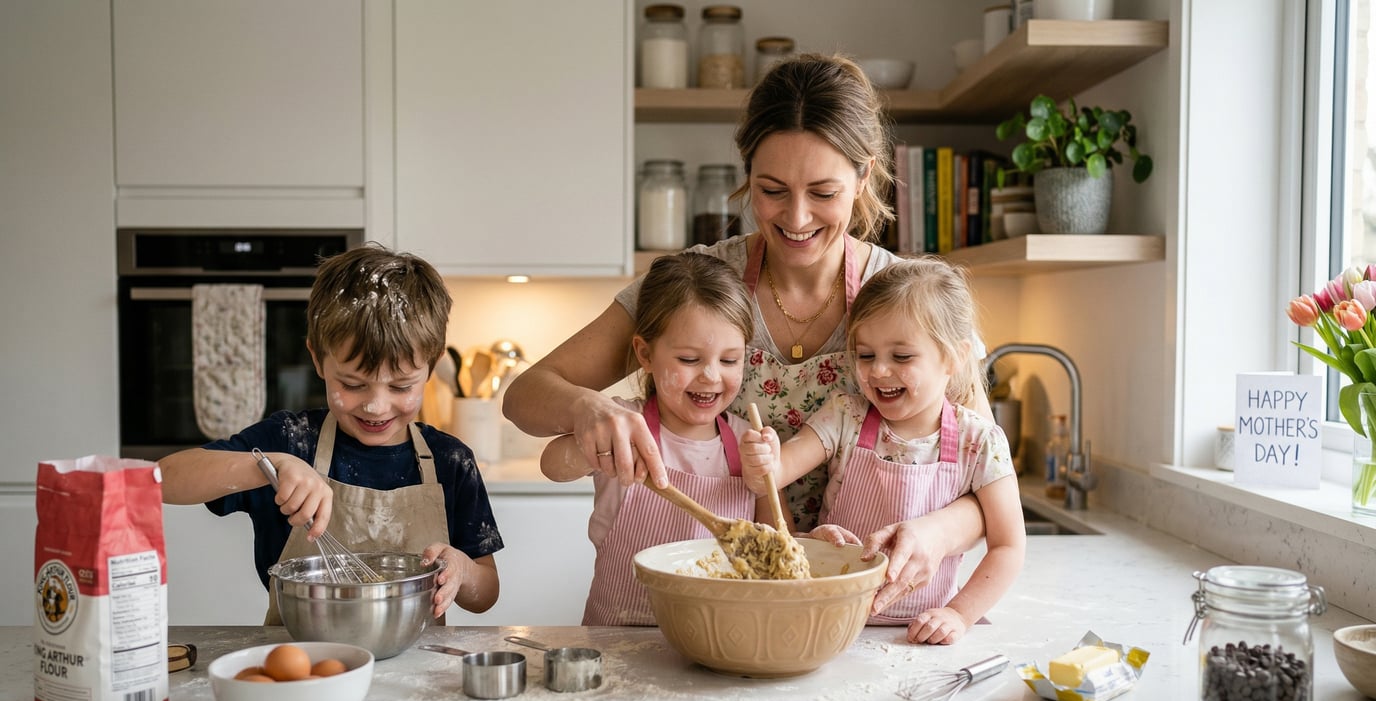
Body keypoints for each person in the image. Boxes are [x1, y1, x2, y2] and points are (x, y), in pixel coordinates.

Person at [504, 53, 990, 610]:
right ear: (747, 175)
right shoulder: (697, 283)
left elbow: (985, 469)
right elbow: (524, 397)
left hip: (862, 603)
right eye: (773, 189)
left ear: (864, 176)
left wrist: (938, 534)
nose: (798, 218)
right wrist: (585, 409)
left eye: (824, 193)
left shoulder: (908, 298)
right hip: (712, 595)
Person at [159, 245, 502, 622]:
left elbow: (485, 593)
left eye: (401, 387)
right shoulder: (291, 440)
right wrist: (271, 465)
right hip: (302, 665)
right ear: (317, 359)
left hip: (419, 667)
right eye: (353, 384)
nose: (376, 406)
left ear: (432, 367)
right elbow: (164, 479)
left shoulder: (450, 461)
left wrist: (462, 571)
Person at [739, 258, 1023, 644]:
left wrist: (959, 614)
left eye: (901, 357)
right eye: (865, 355)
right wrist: (764, 458)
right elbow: (773, 474)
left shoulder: (981, 441)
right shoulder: (845, 414)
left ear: (954, 357)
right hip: (831, 625)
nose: (878, 372)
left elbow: (1008, 546)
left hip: (917, 636)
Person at [541, 252, 773, 624]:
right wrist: (597, 443)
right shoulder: (623, 422)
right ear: (645, 353)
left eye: (730, 361)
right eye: (689, 360)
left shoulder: (747, 441)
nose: (712, 377)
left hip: (718, 639)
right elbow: (552, 464)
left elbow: (776, 545)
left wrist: (764, 479)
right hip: (618, 639)